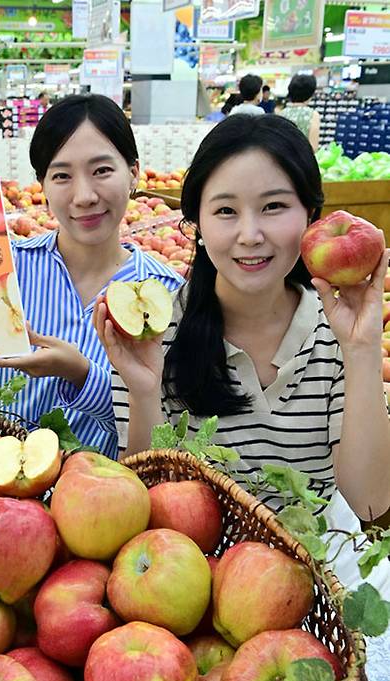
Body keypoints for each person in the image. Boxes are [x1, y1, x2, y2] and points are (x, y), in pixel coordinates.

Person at [96, 113, 390, 594]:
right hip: (192, 586)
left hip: (311, 582)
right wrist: (144, 389)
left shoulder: (336, 330)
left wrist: (359, 352)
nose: (250, 234)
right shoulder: (151, 331)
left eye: (274, 206)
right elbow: (146, 505)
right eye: (226, 211)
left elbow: (370, 503)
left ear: (312, 216)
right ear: (197, 222)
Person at [0, 93, 184, 459]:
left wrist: (83, 374)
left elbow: (165, 434)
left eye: (102, 170)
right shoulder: (3, 268)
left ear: (134, 173)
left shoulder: (167, 295)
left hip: (97, 503)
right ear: (42, 185)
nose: (84, 196)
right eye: (62, 176)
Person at [282, 73, 321, 151]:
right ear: (310, 94)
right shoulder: (313, 115)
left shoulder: (281, 114)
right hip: (302, 160)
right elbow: (313, 147)